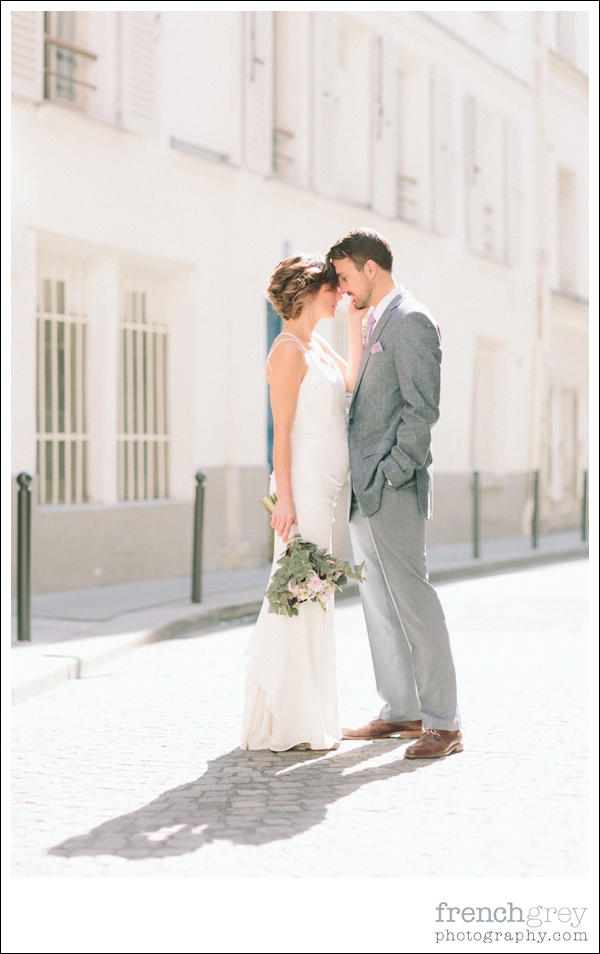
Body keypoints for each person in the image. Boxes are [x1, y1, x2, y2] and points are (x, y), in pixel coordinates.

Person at [327, 228, 462, 759]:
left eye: (344, 277)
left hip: (392, 487)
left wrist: (392, 472)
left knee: (414, 601)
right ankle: (400, 710)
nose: (342, 288)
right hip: (365, 489)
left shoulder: (411, 320)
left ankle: (444, 722)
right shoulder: (376, 319)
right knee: (379, 605)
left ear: (370, 269)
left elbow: (421, 409)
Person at [240, 254, 366, 752]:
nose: (340, 295)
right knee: (301, 591)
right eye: (333, 289)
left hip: (326, 488)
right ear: (310, 293)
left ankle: (308, 712)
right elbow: (282, 434)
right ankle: (287, 719)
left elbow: (353, 381)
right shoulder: (288, 351)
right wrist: (284, 500)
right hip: (303, 487)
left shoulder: (318, 346)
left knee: (315, 593)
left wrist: (354, 326)